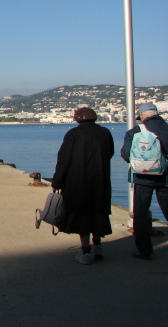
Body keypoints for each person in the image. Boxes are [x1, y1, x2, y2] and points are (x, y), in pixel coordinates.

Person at [52, 107, 114, 265]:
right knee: (98, 213)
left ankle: (86, 252)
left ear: (77, 119)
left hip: (78, 181)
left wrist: (57, 182)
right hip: (101, 180)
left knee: (82, 217)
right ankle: (98, 246)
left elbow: (63, 160)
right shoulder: (105, 133)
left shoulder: (73, 134)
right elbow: (110, 152)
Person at [121, 102, 168, 260]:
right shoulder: (166, 128)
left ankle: (144, 250)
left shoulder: (135, 131)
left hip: (142, 178)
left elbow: (125, 154)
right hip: (165, 177)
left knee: (140, 215)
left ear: (141, 116)